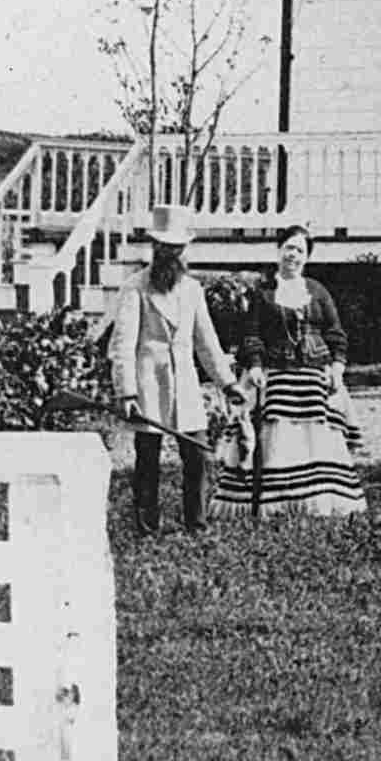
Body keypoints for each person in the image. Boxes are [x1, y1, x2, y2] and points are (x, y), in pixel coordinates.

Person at [105, 203, 238, 534]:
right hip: (148, 383)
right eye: (164, 246)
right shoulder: (135, 287)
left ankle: (197, 524)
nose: (170, 253)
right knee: (147, 458)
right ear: (155, 247)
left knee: (196, 455)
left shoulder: (192, 289)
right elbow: (122, 344)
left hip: (185, 383)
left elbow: (207, 342)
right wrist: (126, 391)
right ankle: (147, 526)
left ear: (184, 250)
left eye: (176, 247)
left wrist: (228, 383)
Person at [219, 224, 365, 518]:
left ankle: (321, 497)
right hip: (277, 371)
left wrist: (337, 366)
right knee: (277, 436)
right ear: (278, 251)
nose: (293, 255)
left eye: (300, 250)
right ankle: (277, 501)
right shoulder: (263, 294)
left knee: (318, 436)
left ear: (307, 257)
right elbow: (252, 334)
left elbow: (335, 332)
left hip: (315, 372)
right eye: (289, 248)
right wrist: (256, 365)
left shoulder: (318, 291)